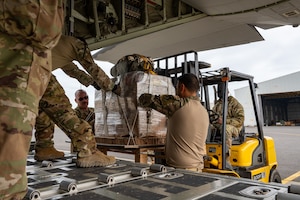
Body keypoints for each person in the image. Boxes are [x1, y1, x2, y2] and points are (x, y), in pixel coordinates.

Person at [0, 1, 64, 199]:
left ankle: (46, 145)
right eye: (83, 97)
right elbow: (46, 28)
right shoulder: (76, 46)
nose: (86, 101)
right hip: (18, 69)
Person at [34, 35, 120, 166]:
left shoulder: (55, 43)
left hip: (21, 69)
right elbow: (92, 67)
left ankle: (44, 147)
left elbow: (72, 70)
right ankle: (88, 152)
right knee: (59, 104)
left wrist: (90, 82)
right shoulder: (78, 44)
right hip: (37, 70)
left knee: (45, 107)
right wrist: (111, 87)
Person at [139, 73, 209, 172]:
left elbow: (144, 99)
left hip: (181, 170)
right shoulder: (203, 110)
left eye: (176, 87)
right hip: (197, 168)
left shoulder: (178, 104)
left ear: (182, 87)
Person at [212, 83, 244, 161]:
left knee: (225, 128)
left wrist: (224, 121)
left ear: (227, 91)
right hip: (219, 125)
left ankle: (226, 159)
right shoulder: (217, 104)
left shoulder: (234, 103)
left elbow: (240, 120)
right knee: (206, 127)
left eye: (221, 91)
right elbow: (213, 116)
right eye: (219, 91)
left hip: (234, 128)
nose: (220, 93)